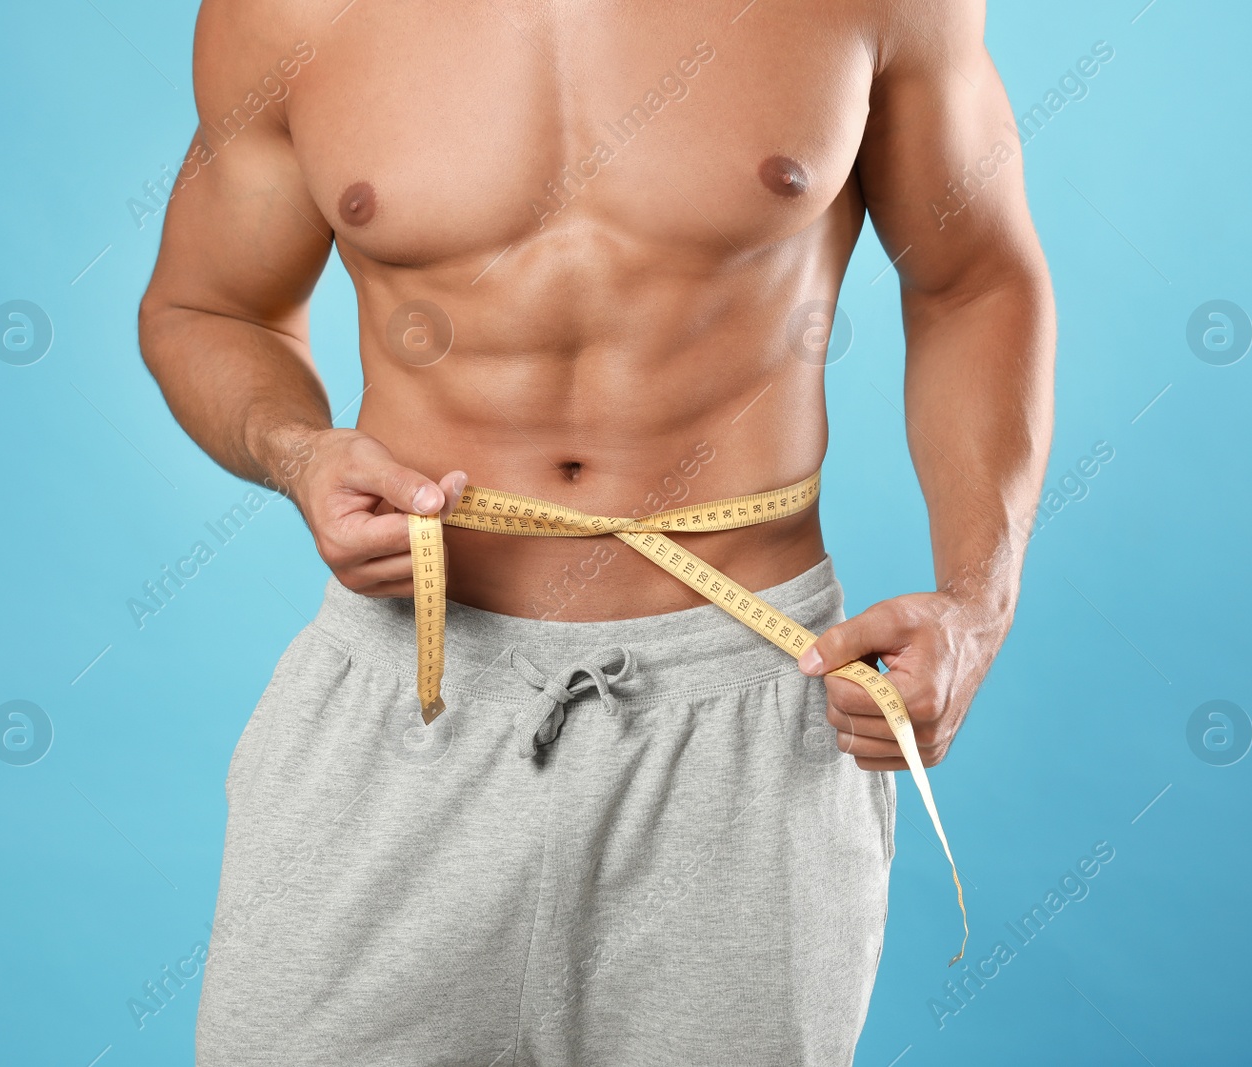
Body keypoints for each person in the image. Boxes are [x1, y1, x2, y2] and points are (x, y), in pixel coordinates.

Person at [138, 0, 1054, 1062]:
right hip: (410, 692)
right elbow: (210, 308)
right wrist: (297, 451)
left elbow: (974, 280)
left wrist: (978, 603)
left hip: (748, 700)